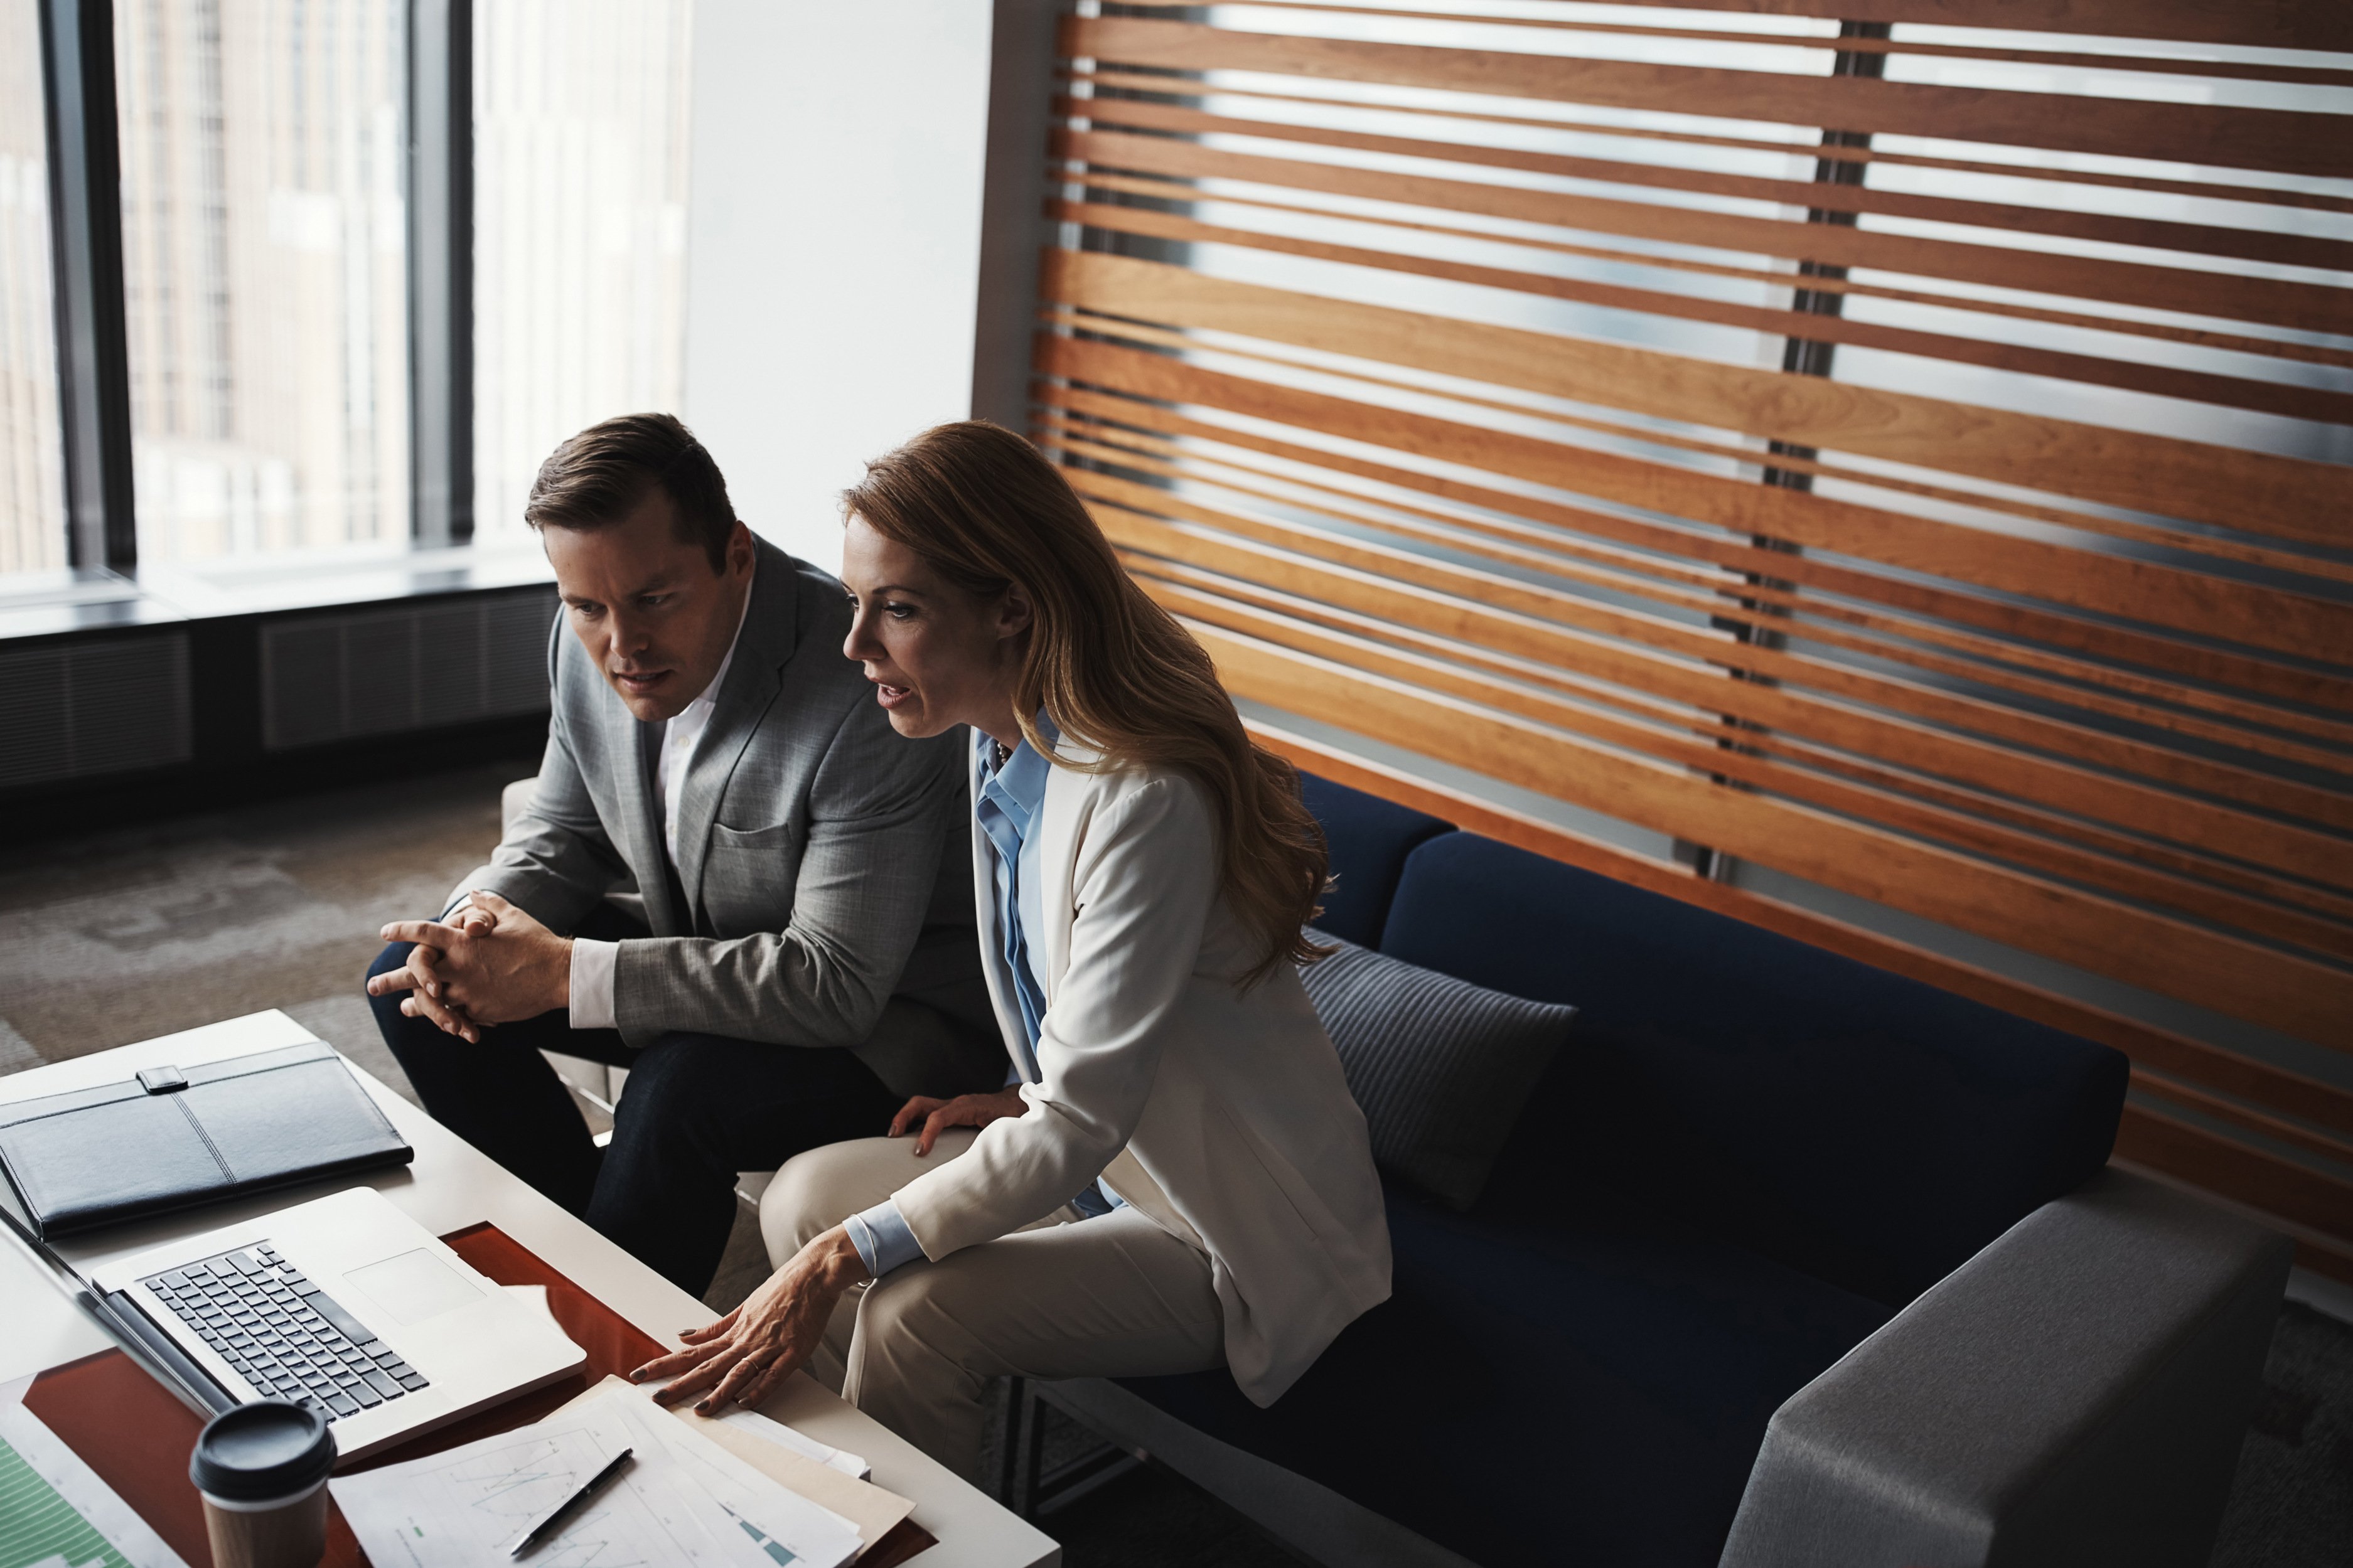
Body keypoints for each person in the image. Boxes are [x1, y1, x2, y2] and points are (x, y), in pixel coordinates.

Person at [626, 420, 1391, 1479]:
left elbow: (1080, 1118)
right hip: (1109, 1157)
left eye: (894, 609)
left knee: (908, 1311)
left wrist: (844, 1260)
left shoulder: (1144, 800)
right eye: (856, 605)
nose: (855, 647)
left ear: (1012, 610)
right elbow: (1075, 1036)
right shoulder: (998, 745)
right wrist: (1022, 1090)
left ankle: (912, 1528)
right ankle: (865, 1485)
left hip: (1217, 1226)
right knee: (804, 1194)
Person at [363, 413, 1001, 1295]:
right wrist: (470, 929)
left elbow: (835, 987)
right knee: (414, 976)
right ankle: (575, 1261)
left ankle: (612, 1347)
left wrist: (561, 975)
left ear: (735, 555)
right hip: (712, 964)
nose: (621, 646)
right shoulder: (587, 627)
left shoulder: (862, 686)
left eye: (654, 600)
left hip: (891, 1019)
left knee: (681, 1088)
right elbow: (565, 832)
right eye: (586, 607)